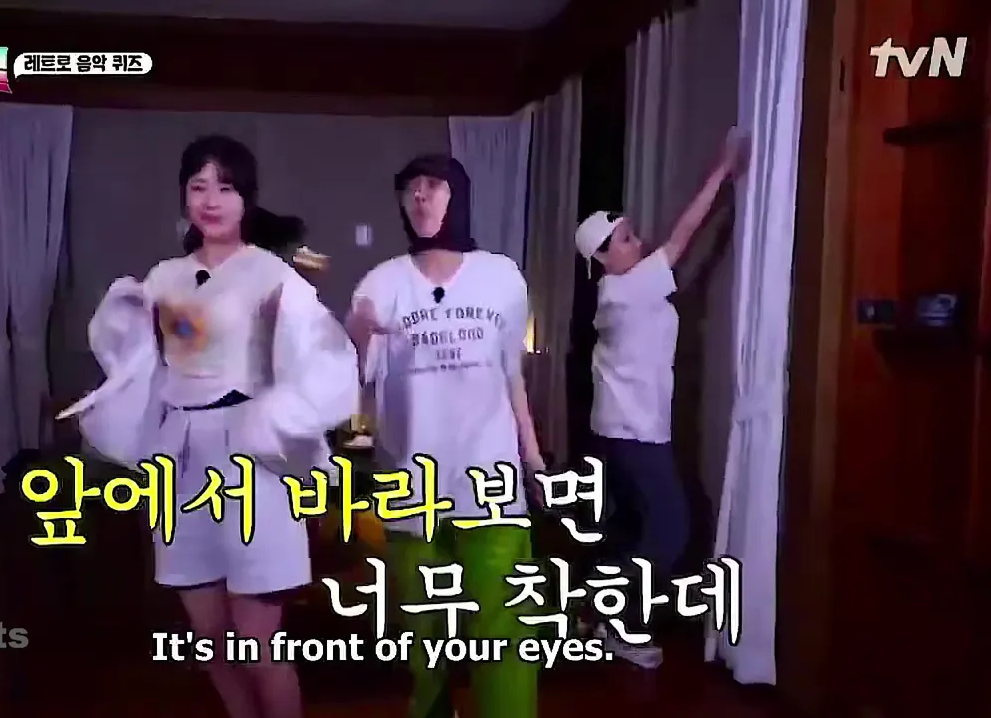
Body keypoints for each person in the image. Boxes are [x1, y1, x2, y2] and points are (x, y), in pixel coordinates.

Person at [67, 135, 359, 718]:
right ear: (184, 195)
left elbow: (324, 357)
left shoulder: (273, 275)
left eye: (225, 187)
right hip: (180, 455)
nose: (211, 200)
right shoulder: (166, 276)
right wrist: (125, 310)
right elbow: (137, 358)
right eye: (199, 186)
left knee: (259, 642)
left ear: (245, 197)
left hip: (253, 455)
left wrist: (284, 416)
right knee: (211, 639)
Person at [346, 154, 545, 718]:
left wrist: (533, 458)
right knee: (422, 632)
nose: (421, 197)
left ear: (457, 195)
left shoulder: (500, 276)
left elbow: (511, 375)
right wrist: (357, 334)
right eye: (410, 189)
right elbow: (353, 381)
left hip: (491, 479)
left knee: (504, 624)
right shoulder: (381, 282)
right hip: (411, 483)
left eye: (433, 186)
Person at [572, 129, 749, 669]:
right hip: (635, 431)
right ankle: (615, 619)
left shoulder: (615, 292)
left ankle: (595, 607)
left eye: (631, 233)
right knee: (671, 530)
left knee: (636, 524)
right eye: (625, 239)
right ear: (603, 259)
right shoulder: (629, 288)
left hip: (619, 428)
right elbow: (683, 237)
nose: (638, 241)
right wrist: (723, 171)